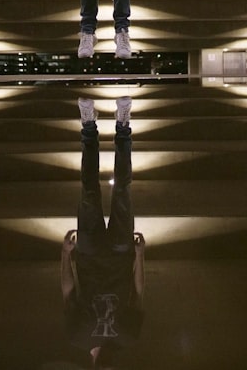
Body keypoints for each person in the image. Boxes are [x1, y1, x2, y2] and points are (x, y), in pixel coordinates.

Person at [62, 97, 145, 367]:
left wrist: (65, 255)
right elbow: (137, 294)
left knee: (89, 190)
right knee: (122, 190)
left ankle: (89, 126)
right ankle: (122, 125)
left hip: (88, 253)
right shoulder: (128, 337)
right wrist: (140, 257)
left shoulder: (77, 337)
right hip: (121, 254)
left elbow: (69, 293)